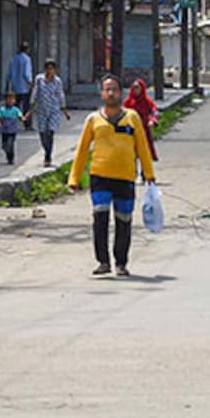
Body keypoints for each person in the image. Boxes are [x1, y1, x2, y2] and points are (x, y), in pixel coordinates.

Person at [67, 74, 156, 277]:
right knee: (100, 219)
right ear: (102, 94)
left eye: (114, 89)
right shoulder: (93, 120)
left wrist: (149, 174)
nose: (111, 93)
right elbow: (81, 151)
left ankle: (121, 263)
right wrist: (74, 178)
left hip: (125, 178)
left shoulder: (132, 118)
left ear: (120, 92)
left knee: (123, 221)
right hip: (100, 177)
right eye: (107, 89)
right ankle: (103, 262)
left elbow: (142, 147)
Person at [24, 58, 70, 166]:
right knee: (42, 133)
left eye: (53, 69)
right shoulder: (39, 79)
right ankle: (46, 149)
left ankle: (48, 156)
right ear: (45, 70)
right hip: (41, 110)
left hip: (54, 109)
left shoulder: (57, 81)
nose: (51, 71)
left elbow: (60, 95)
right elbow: (35, 94)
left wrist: (65, 111)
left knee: (50, 132)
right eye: (48, 69)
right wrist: (30, 109)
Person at [123, 78, 159, 164]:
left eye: (138, 88)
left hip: (144, 129)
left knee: (145, 151)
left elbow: (154, 112)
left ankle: (145, 172)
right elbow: (122, 114)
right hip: (131, 129)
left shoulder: (147, 102)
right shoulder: (128, 102)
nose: (136, 90)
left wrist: (152, 121)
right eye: (134, 88)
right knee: (130, 152)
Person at [6, 41, 33, 129]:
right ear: (27, 49)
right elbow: (26, 73)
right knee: (26, 106)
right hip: (24, 87)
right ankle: (27, 124)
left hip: (15, 87)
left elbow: (9, 74)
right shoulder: (26, 59)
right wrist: (30, 82)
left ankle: (11, 124)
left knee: (14, 106)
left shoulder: (14, 59)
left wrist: (9, 84)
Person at [0, 93, 24, 164]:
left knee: (11, 144)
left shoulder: (15, 110)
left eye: (12, 99)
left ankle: (11, 158)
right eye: (8, 99)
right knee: (5, 143)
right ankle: (6, 149)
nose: (10, 101)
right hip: (4, 130)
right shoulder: (2, 109)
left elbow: (20, 116)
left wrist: (22, 118)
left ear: (14, 101)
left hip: (12, 130)